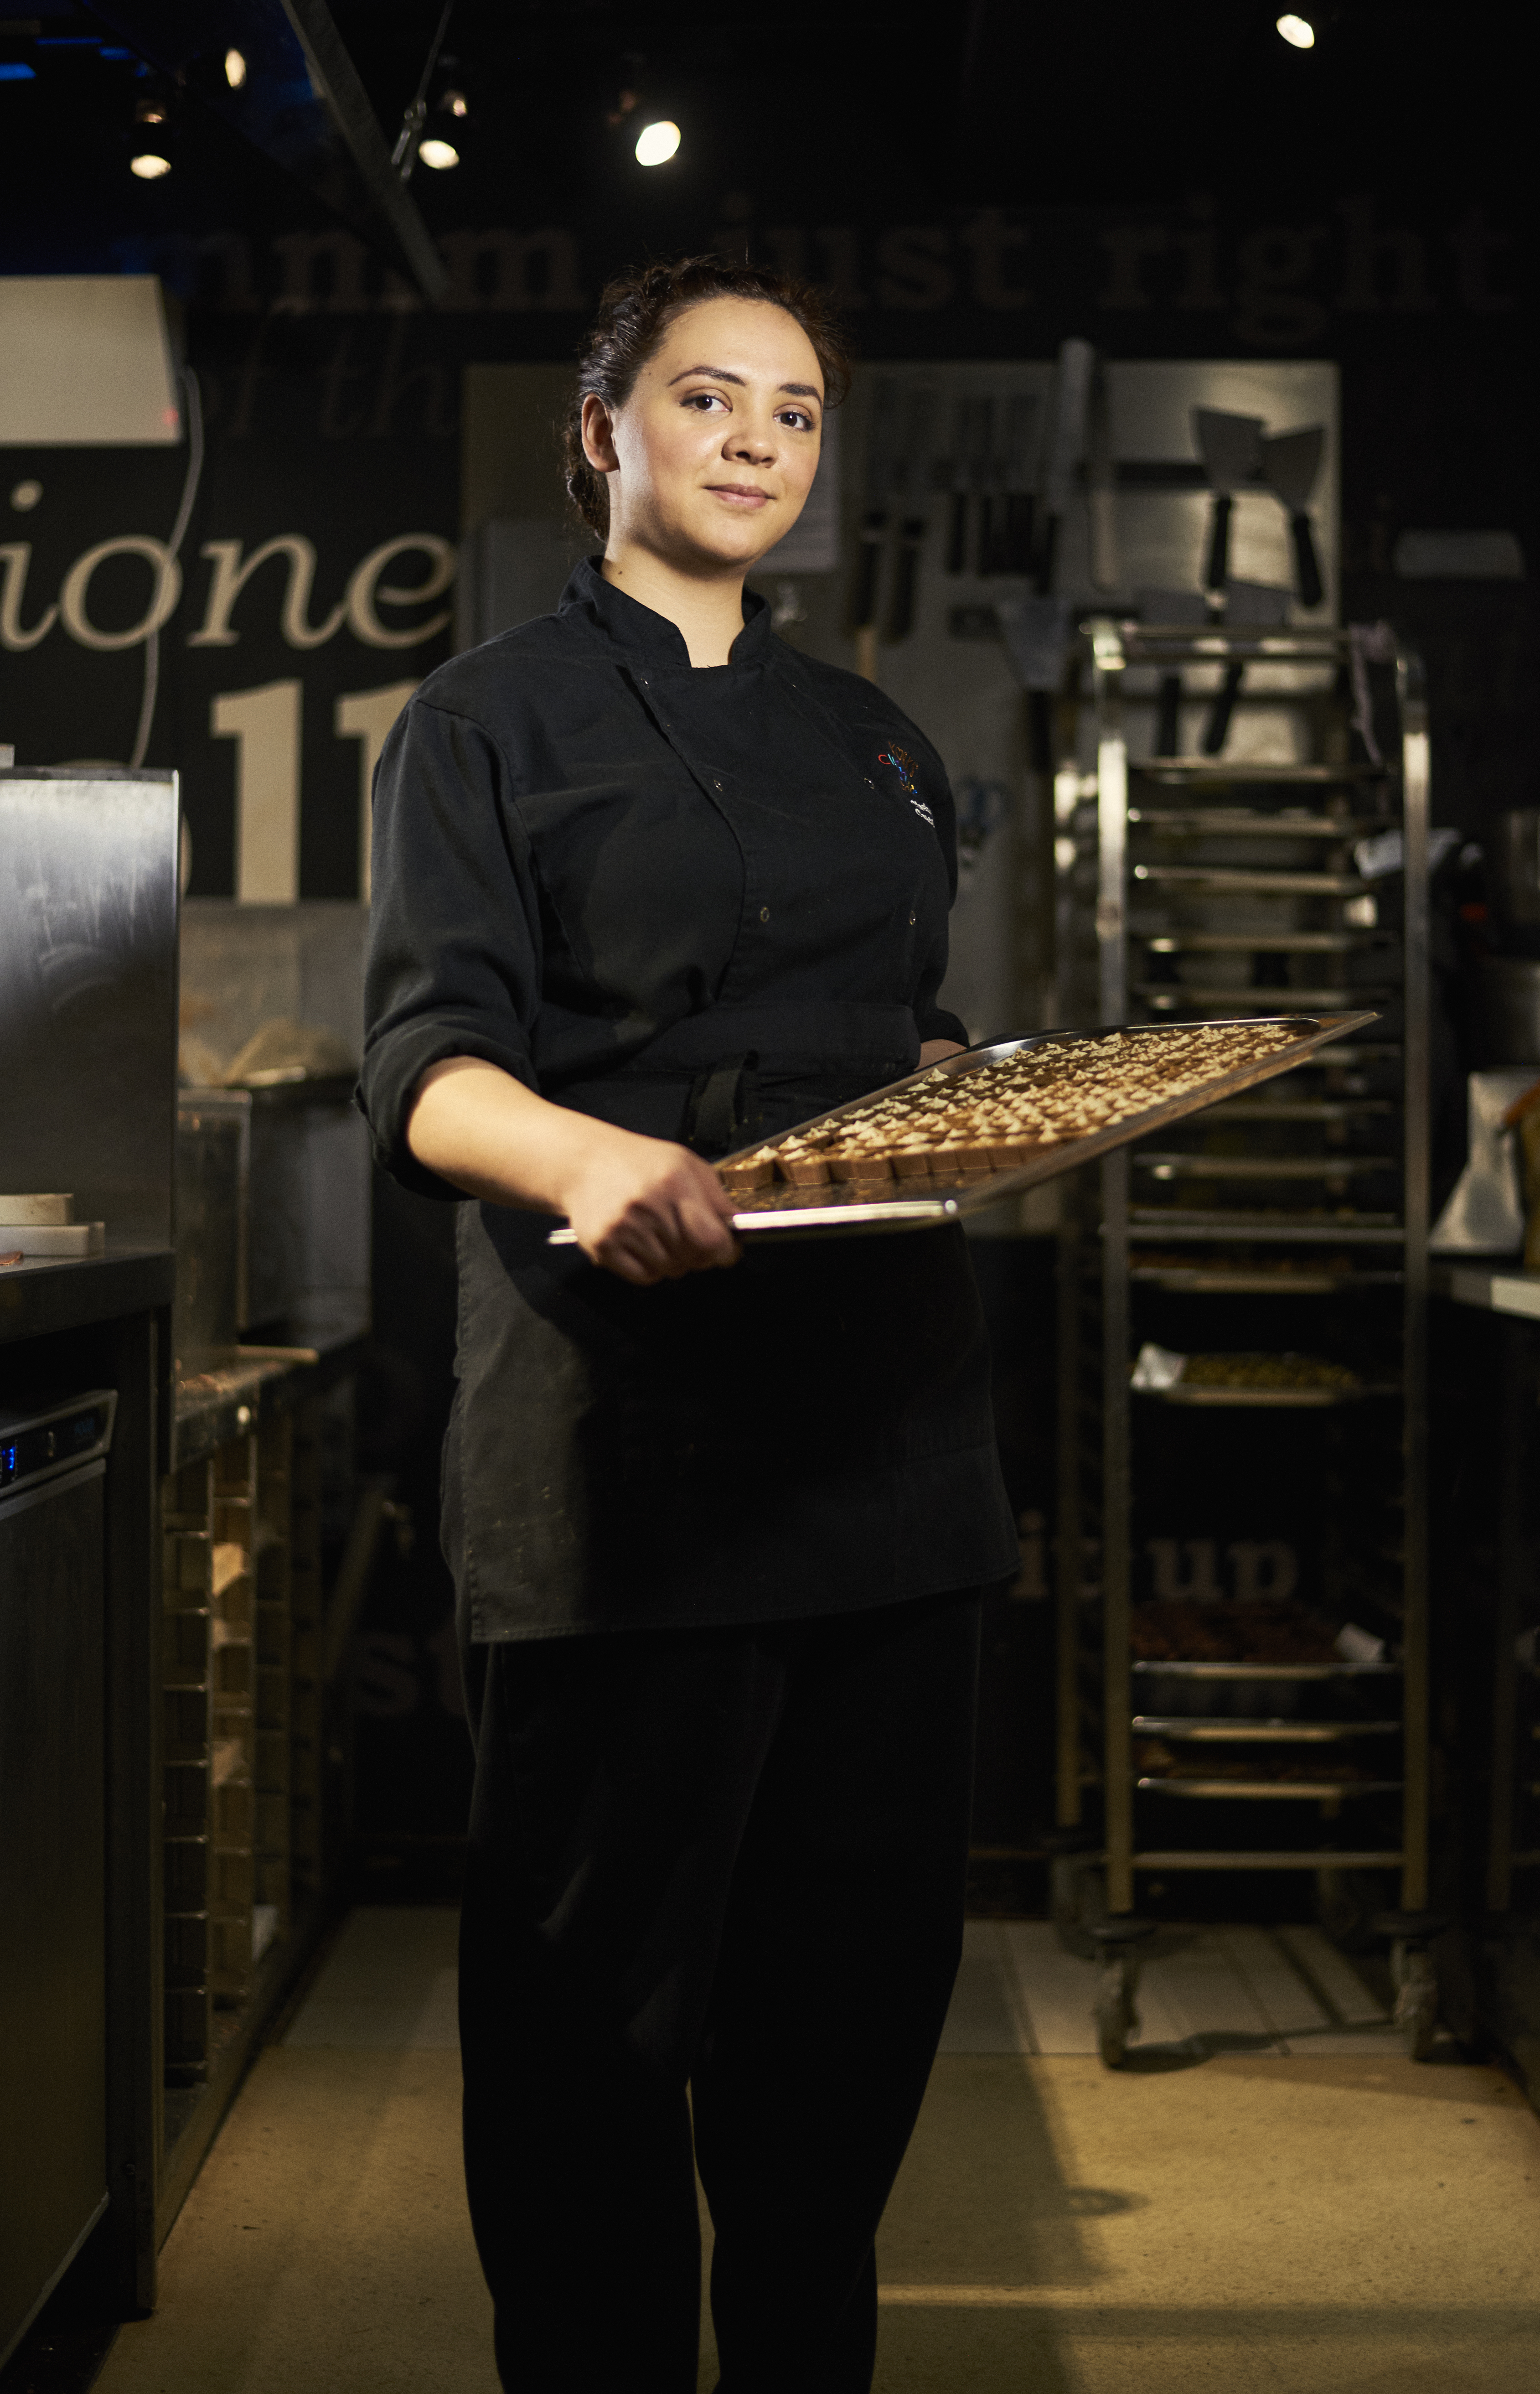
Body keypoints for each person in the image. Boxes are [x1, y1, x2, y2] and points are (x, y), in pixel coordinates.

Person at [358, 253, 1018, 2394]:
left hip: (887, 1456)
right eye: (709, 396)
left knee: (843, 2032)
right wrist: (584, 1165)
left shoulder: (874, 738)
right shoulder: (485, 723)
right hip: (618, 1454)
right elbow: (429, 1061)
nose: (754, 437)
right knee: (586, 2045)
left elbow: (890, 1037)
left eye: (796, 411)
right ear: (604, 430)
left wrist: (971, 1093)